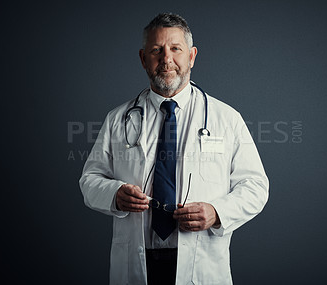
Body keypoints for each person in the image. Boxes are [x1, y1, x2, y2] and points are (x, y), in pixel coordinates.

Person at [79, 12, 269, 285]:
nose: (166, 59)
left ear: (191, 56)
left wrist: (217, 212)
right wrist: (114, 195)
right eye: (156, 50)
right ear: (144, 59)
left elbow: (256, 186)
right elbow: (89, 180)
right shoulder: (118, 119)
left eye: (175, 49)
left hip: (200, 261)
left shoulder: (226, 118)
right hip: (136, 261)